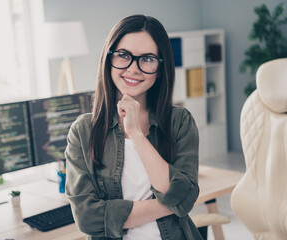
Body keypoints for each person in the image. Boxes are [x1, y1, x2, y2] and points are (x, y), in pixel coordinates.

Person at [65, 14, 203, 240]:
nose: (133, 68)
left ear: (160, 67)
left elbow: (184, 199)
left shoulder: (180, 122)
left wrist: (137, 134)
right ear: (108, 59)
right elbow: (87, 218)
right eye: (123, 55)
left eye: (147, 59)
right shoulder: (83, 131)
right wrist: (171, 204)